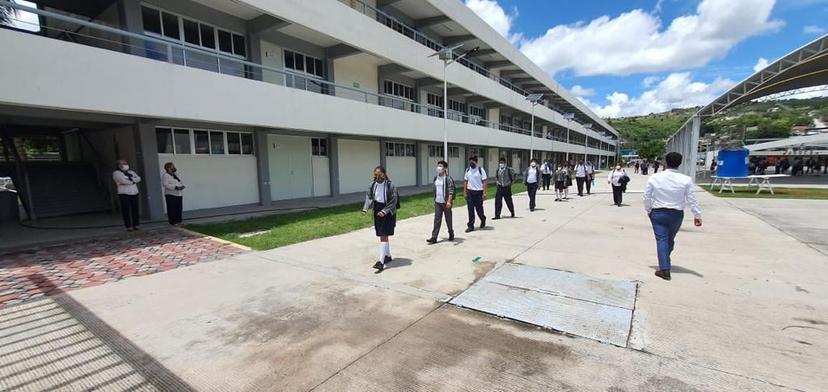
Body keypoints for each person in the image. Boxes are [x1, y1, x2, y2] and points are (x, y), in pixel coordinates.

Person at [644, 152, 703, 281]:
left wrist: (648, 210)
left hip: (658, 213)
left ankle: (664, 266)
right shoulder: (686, 179)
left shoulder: (655, 178)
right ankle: (665, 267)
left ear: (665, 162)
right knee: (668, 239)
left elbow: (647, 196)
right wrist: (697, 215)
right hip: (676, 214)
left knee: (664, 240)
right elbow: (691, 199)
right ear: (680, 163)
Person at [362, 166, 398, 273]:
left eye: (379, 175)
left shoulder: (390, 185)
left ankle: (381, 262)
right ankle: (387, 256)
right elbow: (369, 197)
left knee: (383, 235)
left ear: (384, 174)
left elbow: (393, 201)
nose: (377, 177)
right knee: (382, 235)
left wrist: (385, 211)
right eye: (375, 175)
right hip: (377, 209)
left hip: (388, 211)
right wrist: (365, 208)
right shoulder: (372, 185)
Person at [427, 160, 455, 244]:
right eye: (438, 166)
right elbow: (435, 190)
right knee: (437, 220)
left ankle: (451, 233)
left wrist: (449, 201)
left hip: (446, 202)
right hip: (438, 202)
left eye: (441, 166)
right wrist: (434, 200)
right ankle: (434, 237)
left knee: (448, 219)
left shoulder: (448, 178)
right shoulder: (436, 178)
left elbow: (451, 190)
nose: (439, 167)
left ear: (445, 168)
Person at [112, 159, 142, 231]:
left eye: (125, 163)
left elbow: (138, 178)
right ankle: (128, 226)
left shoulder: (131, 172)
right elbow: (123, 181)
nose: (124, 165)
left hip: (134, 192)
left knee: (135, 209)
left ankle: (136, 224)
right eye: (122, 163)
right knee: (126, 210)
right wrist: (132, 181)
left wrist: (129, 179)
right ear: (118, 165)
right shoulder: (116, 173)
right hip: (124, 193)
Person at [464, 155, 487, 232]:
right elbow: (465, 181)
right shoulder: (468, 170)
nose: (471, 162)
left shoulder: (480, 170)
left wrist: (484, 193)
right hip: (470, 192)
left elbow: (484, 182)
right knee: (470, 209)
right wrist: (465, 192)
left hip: (479, 192)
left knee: (479, 209)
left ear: (476, 161)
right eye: (470, 161)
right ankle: (470, 226)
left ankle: (482, 218)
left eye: (472, 161)